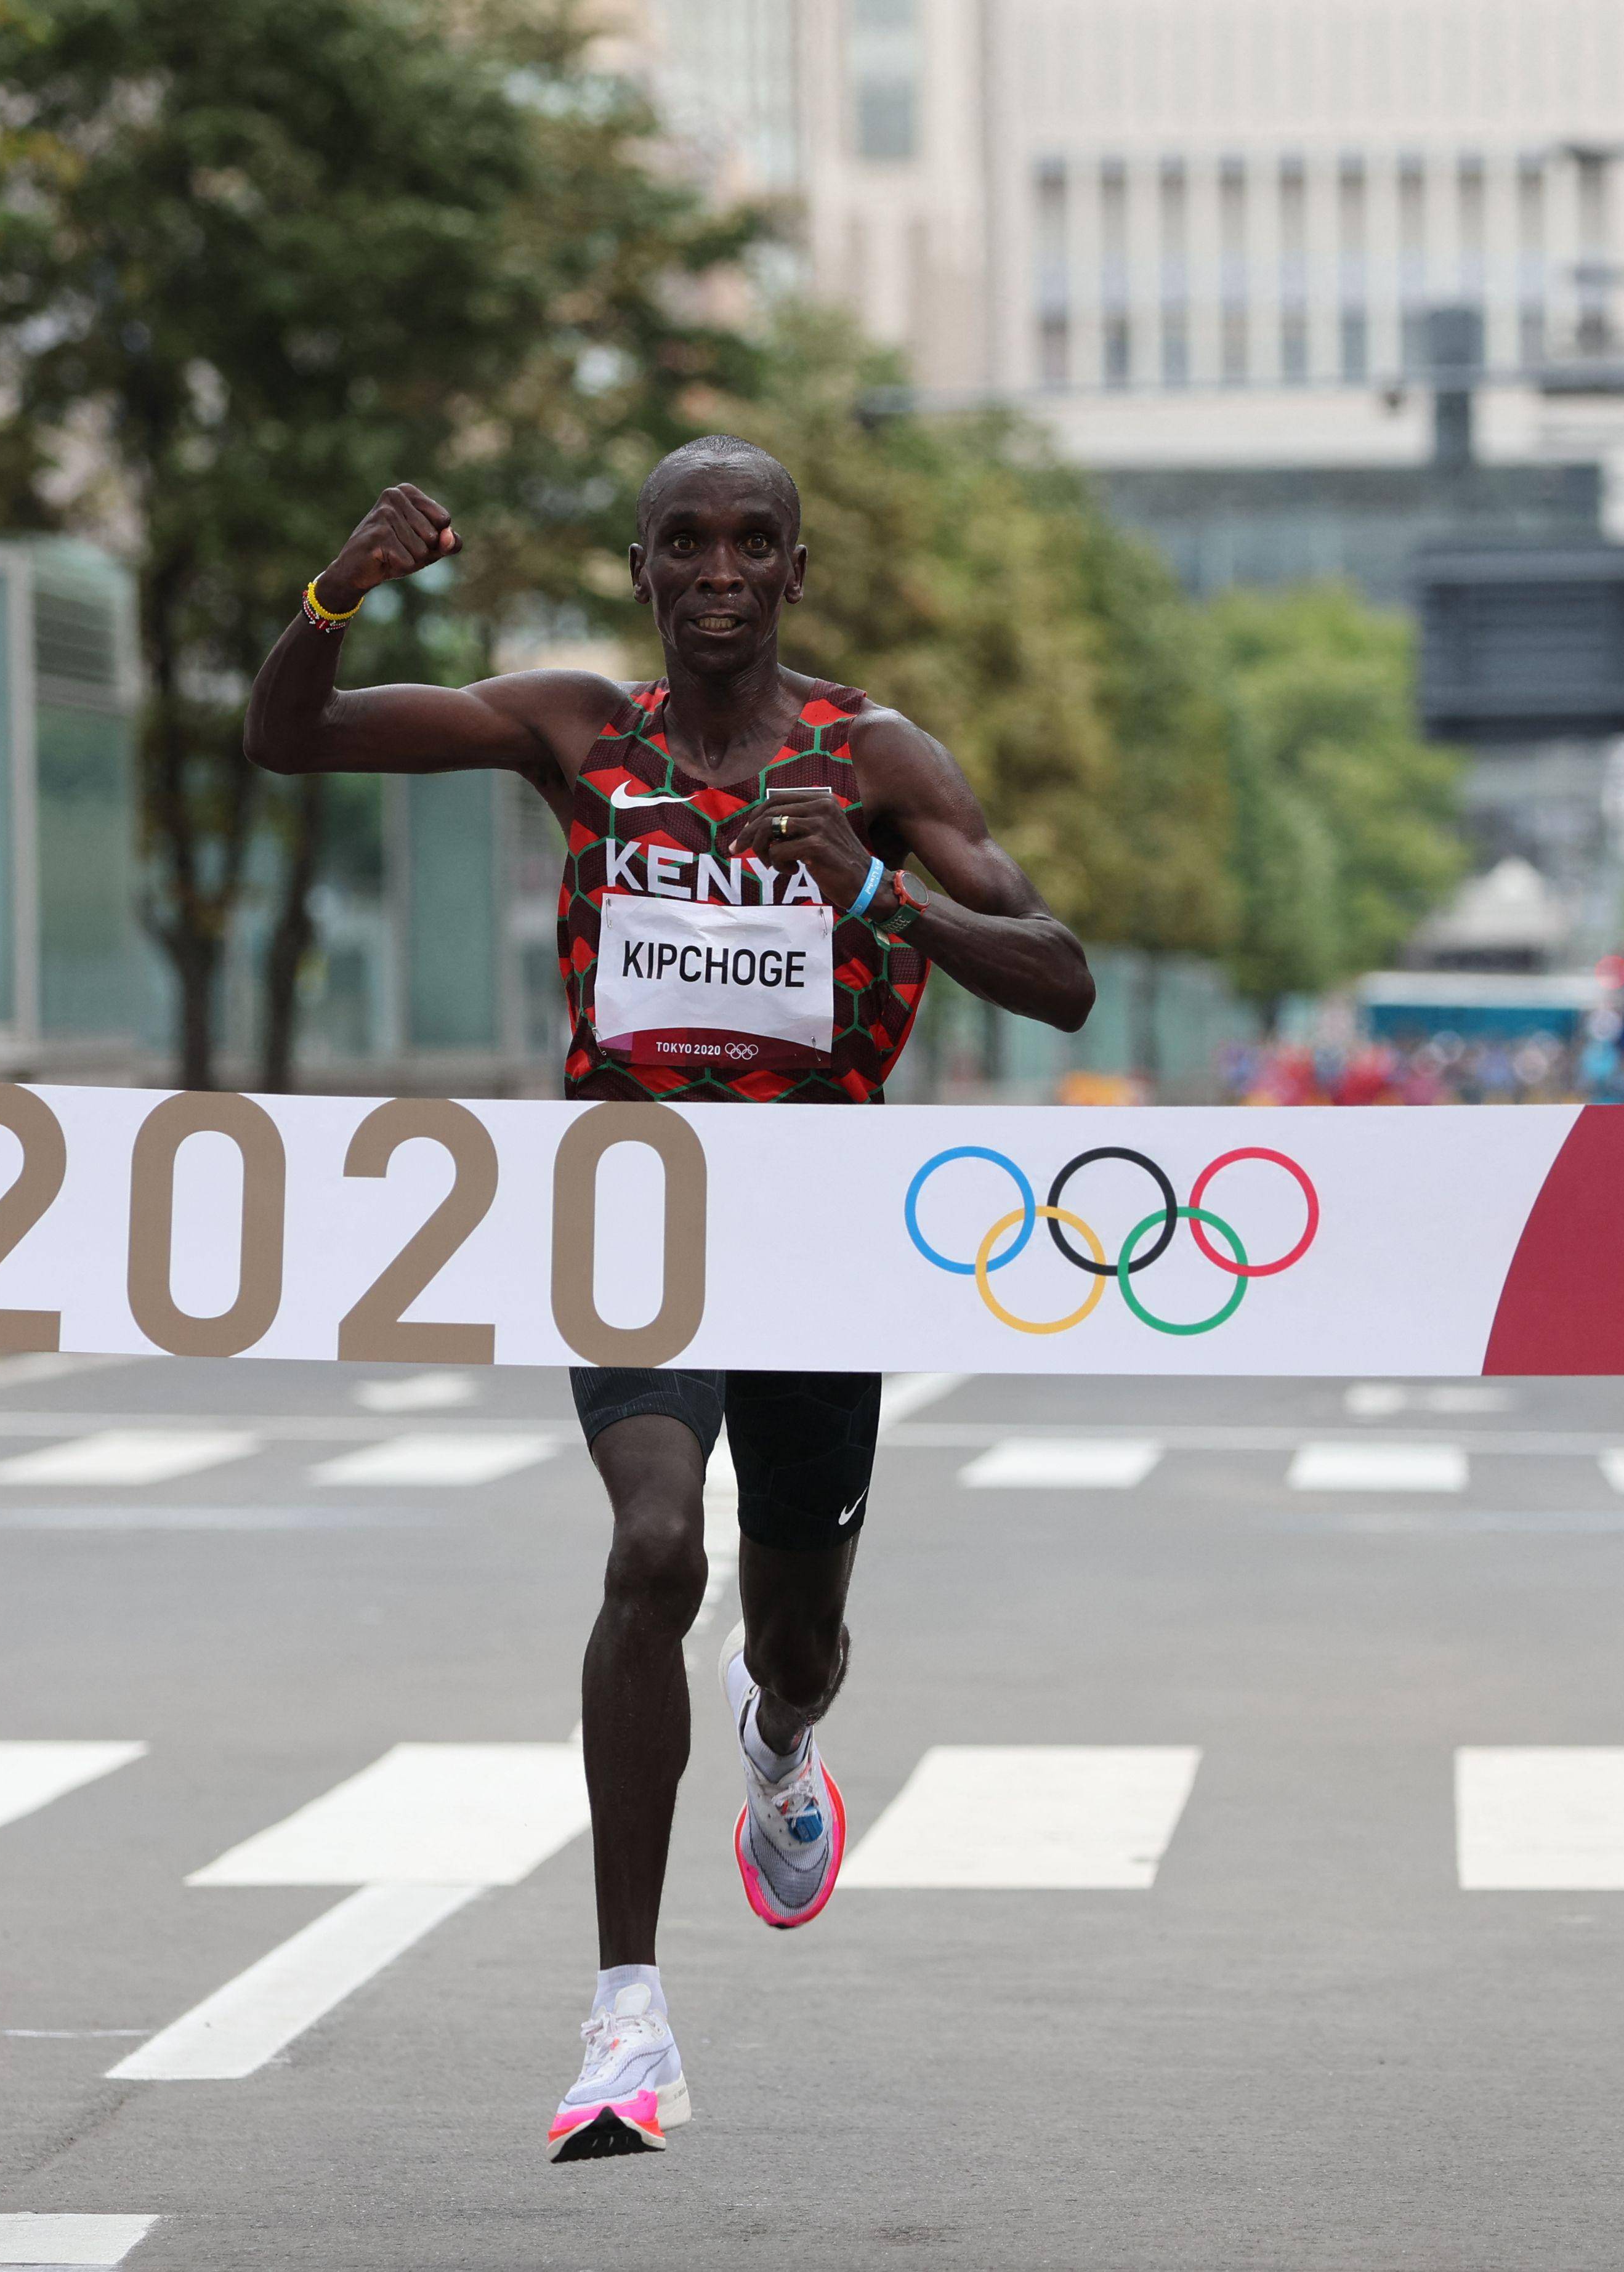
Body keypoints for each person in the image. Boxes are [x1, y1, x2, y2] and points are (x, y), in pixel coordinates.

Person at [243, 448, 1096, 2161]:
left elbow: (1061, 973)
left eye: (751, 544)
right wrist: (336, 595)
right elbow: (291, 735)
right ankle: (624, 2009)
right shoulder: (580, 734)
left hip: (817, 1226)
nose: (719, 571)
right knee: (652, 1544)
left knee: (793, 1625)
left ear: (794, 567)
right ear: (641, 567)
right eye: (686, 544)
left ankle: (781, 1732)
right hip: (631, 1207)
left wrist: (871, 890)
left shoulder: (874, 759)